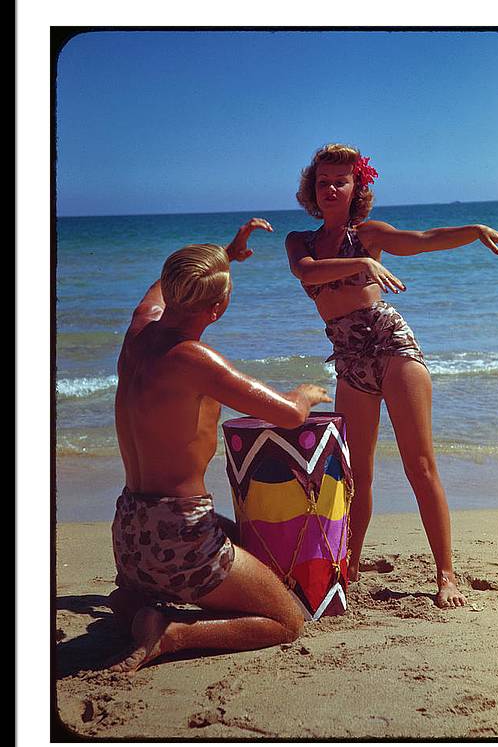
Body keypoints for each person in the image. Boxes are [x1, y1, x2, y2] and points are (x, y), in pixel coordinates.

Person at [285, 144, 498, 607]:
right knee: (355, 474)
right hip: (349, 357)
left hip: (391, 345)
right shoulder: (300, 241)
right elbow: (308, 272)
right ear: (312, 190)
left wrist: (474, 229)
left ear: (357, 188)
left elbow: (423, 238)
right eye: (324, 182)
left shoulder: (371, 234)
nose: (332, 188)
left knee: (419, 465)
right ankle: (350, 561)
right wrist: (362, 264)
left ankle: (446, 574)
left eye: (342, 180)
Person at [107, 218, 332, 673]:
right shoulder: (195, 360)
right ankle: (173, 634)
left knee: (243, 537)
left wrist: (227, 253)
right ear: (218, 308)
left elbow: (162, 286)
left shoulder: (138, 332)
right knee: (287, 620)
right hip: (180, 537)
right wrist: (306, 394)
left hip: (130, 532)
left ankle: (133, 601)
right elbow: (288, 415)